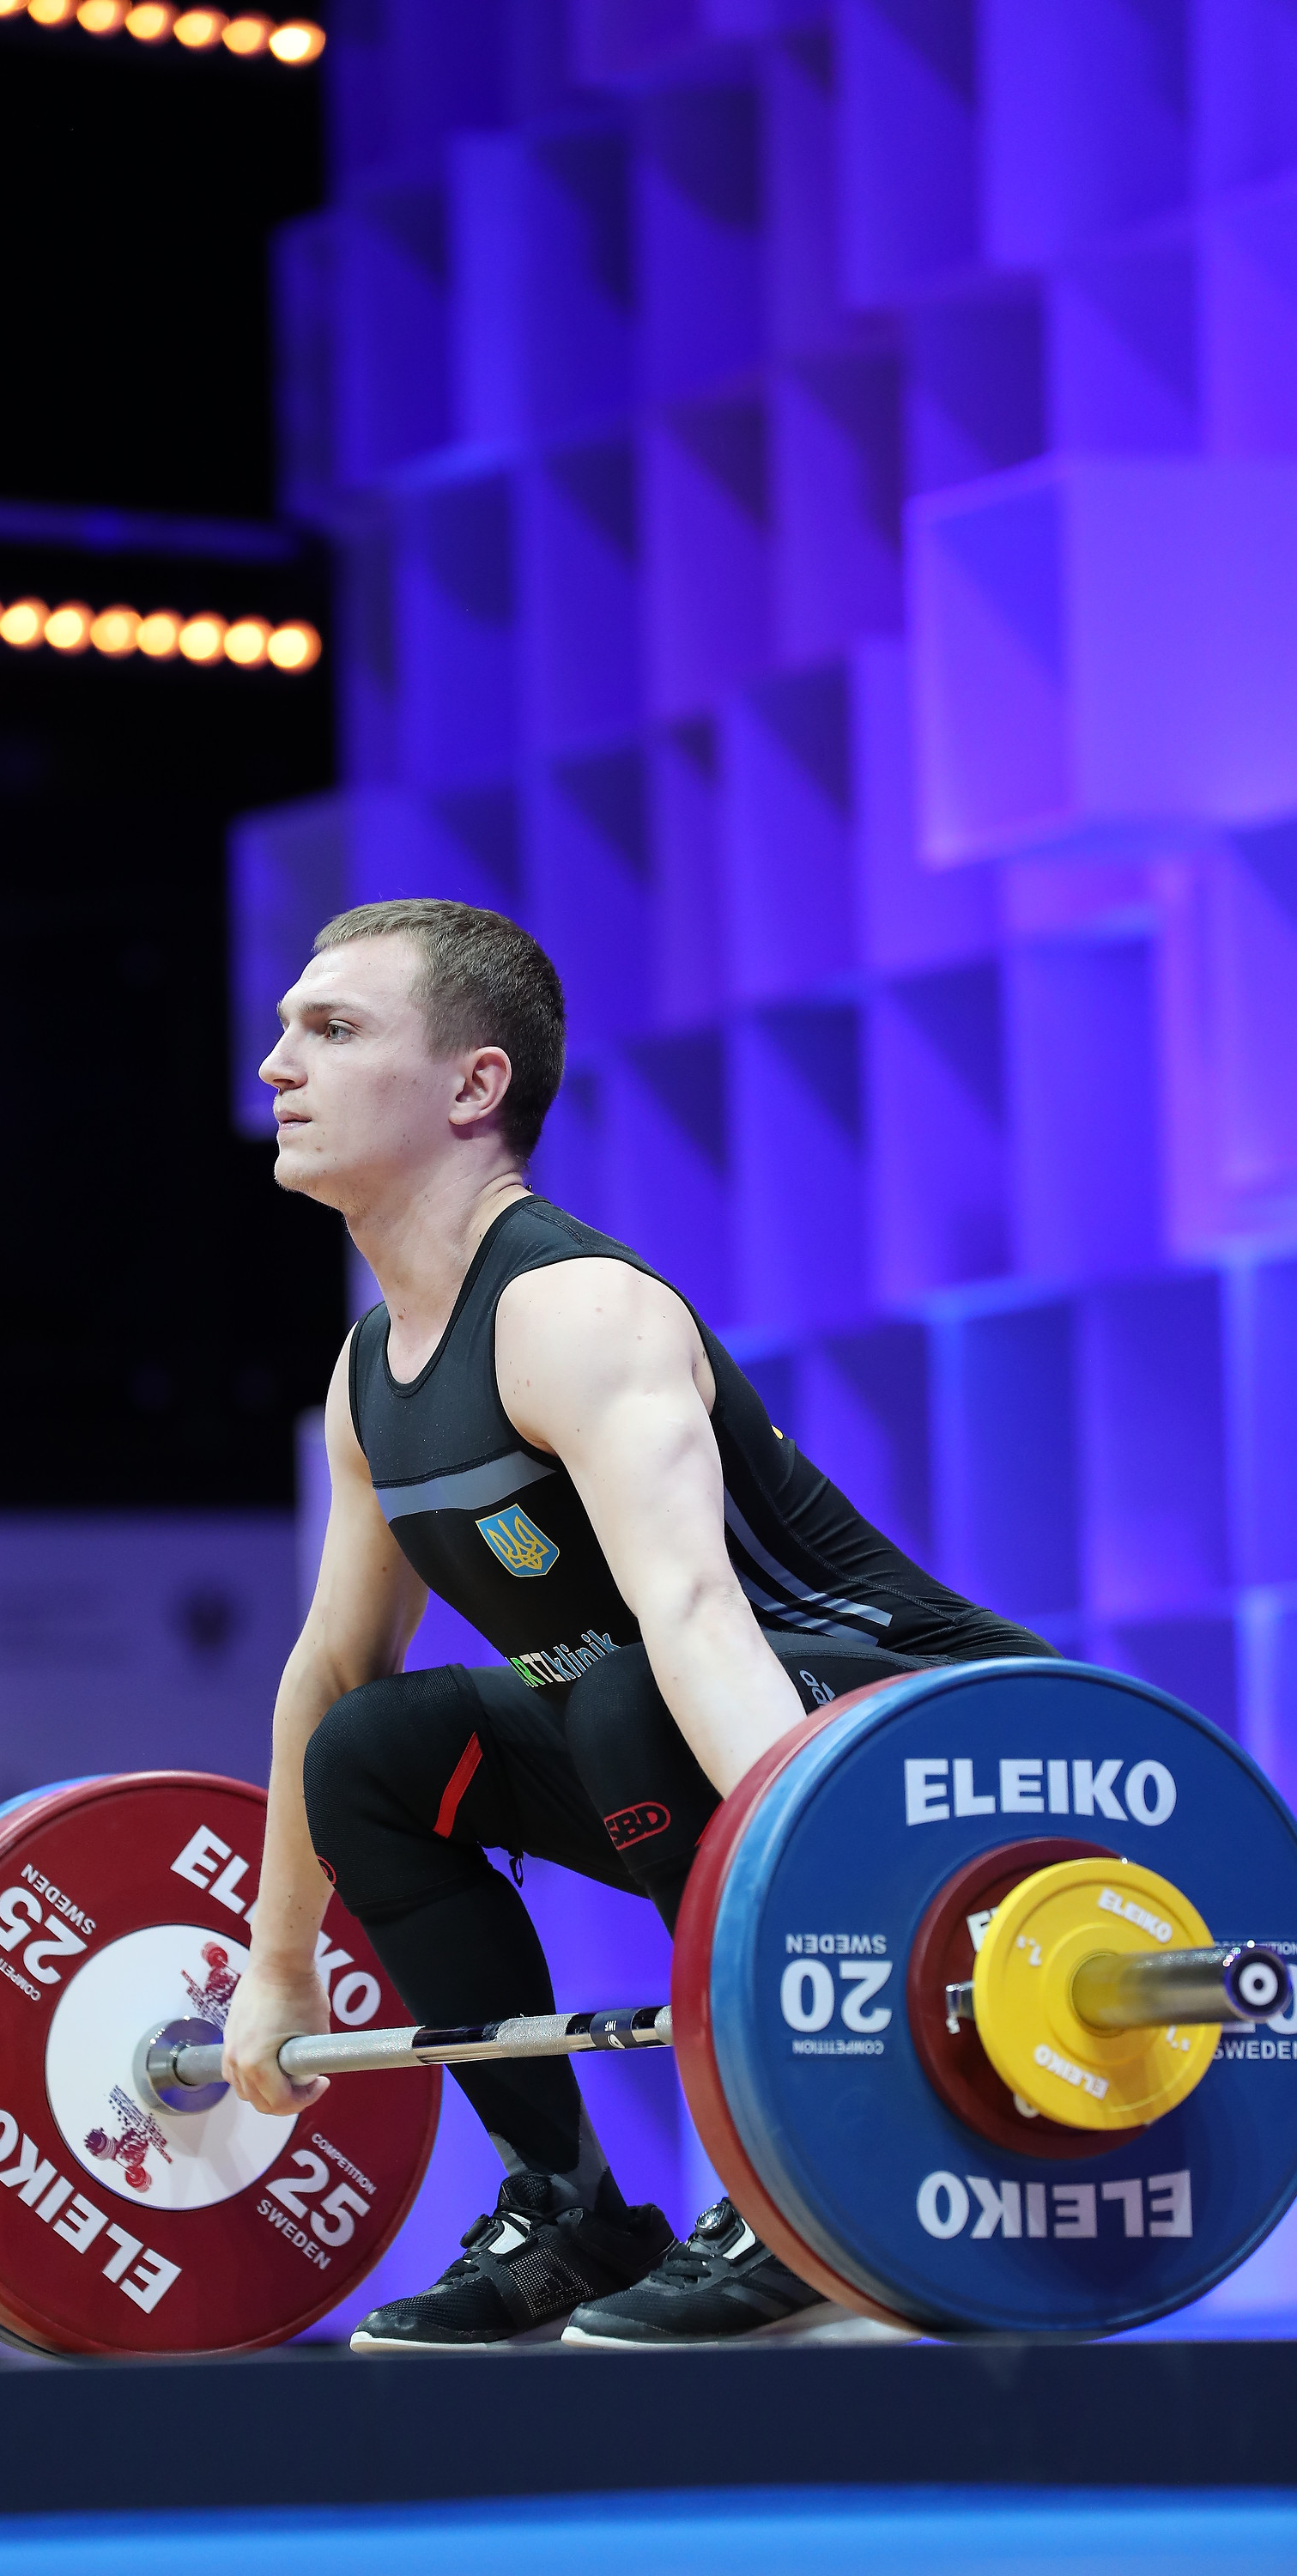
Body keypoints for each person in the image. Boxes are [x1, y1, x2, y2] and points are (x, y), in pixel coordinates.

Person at [221, 899, 1053, 2350]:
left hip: (939, 1744)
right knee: (371, 1747)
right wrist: (277, 1964)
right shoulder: (371, 1376)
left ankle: (799, 2183)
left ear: (475, 1085)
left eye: (334, 1030)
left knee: (624, 1689)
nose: (276, 1065)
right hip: (691, 1726)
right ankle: (571, 2213)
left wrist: (820, 1905)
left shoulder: (577, 1312)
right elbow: (333, 1666)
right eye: (288, 1028)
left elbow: (696, 1615)